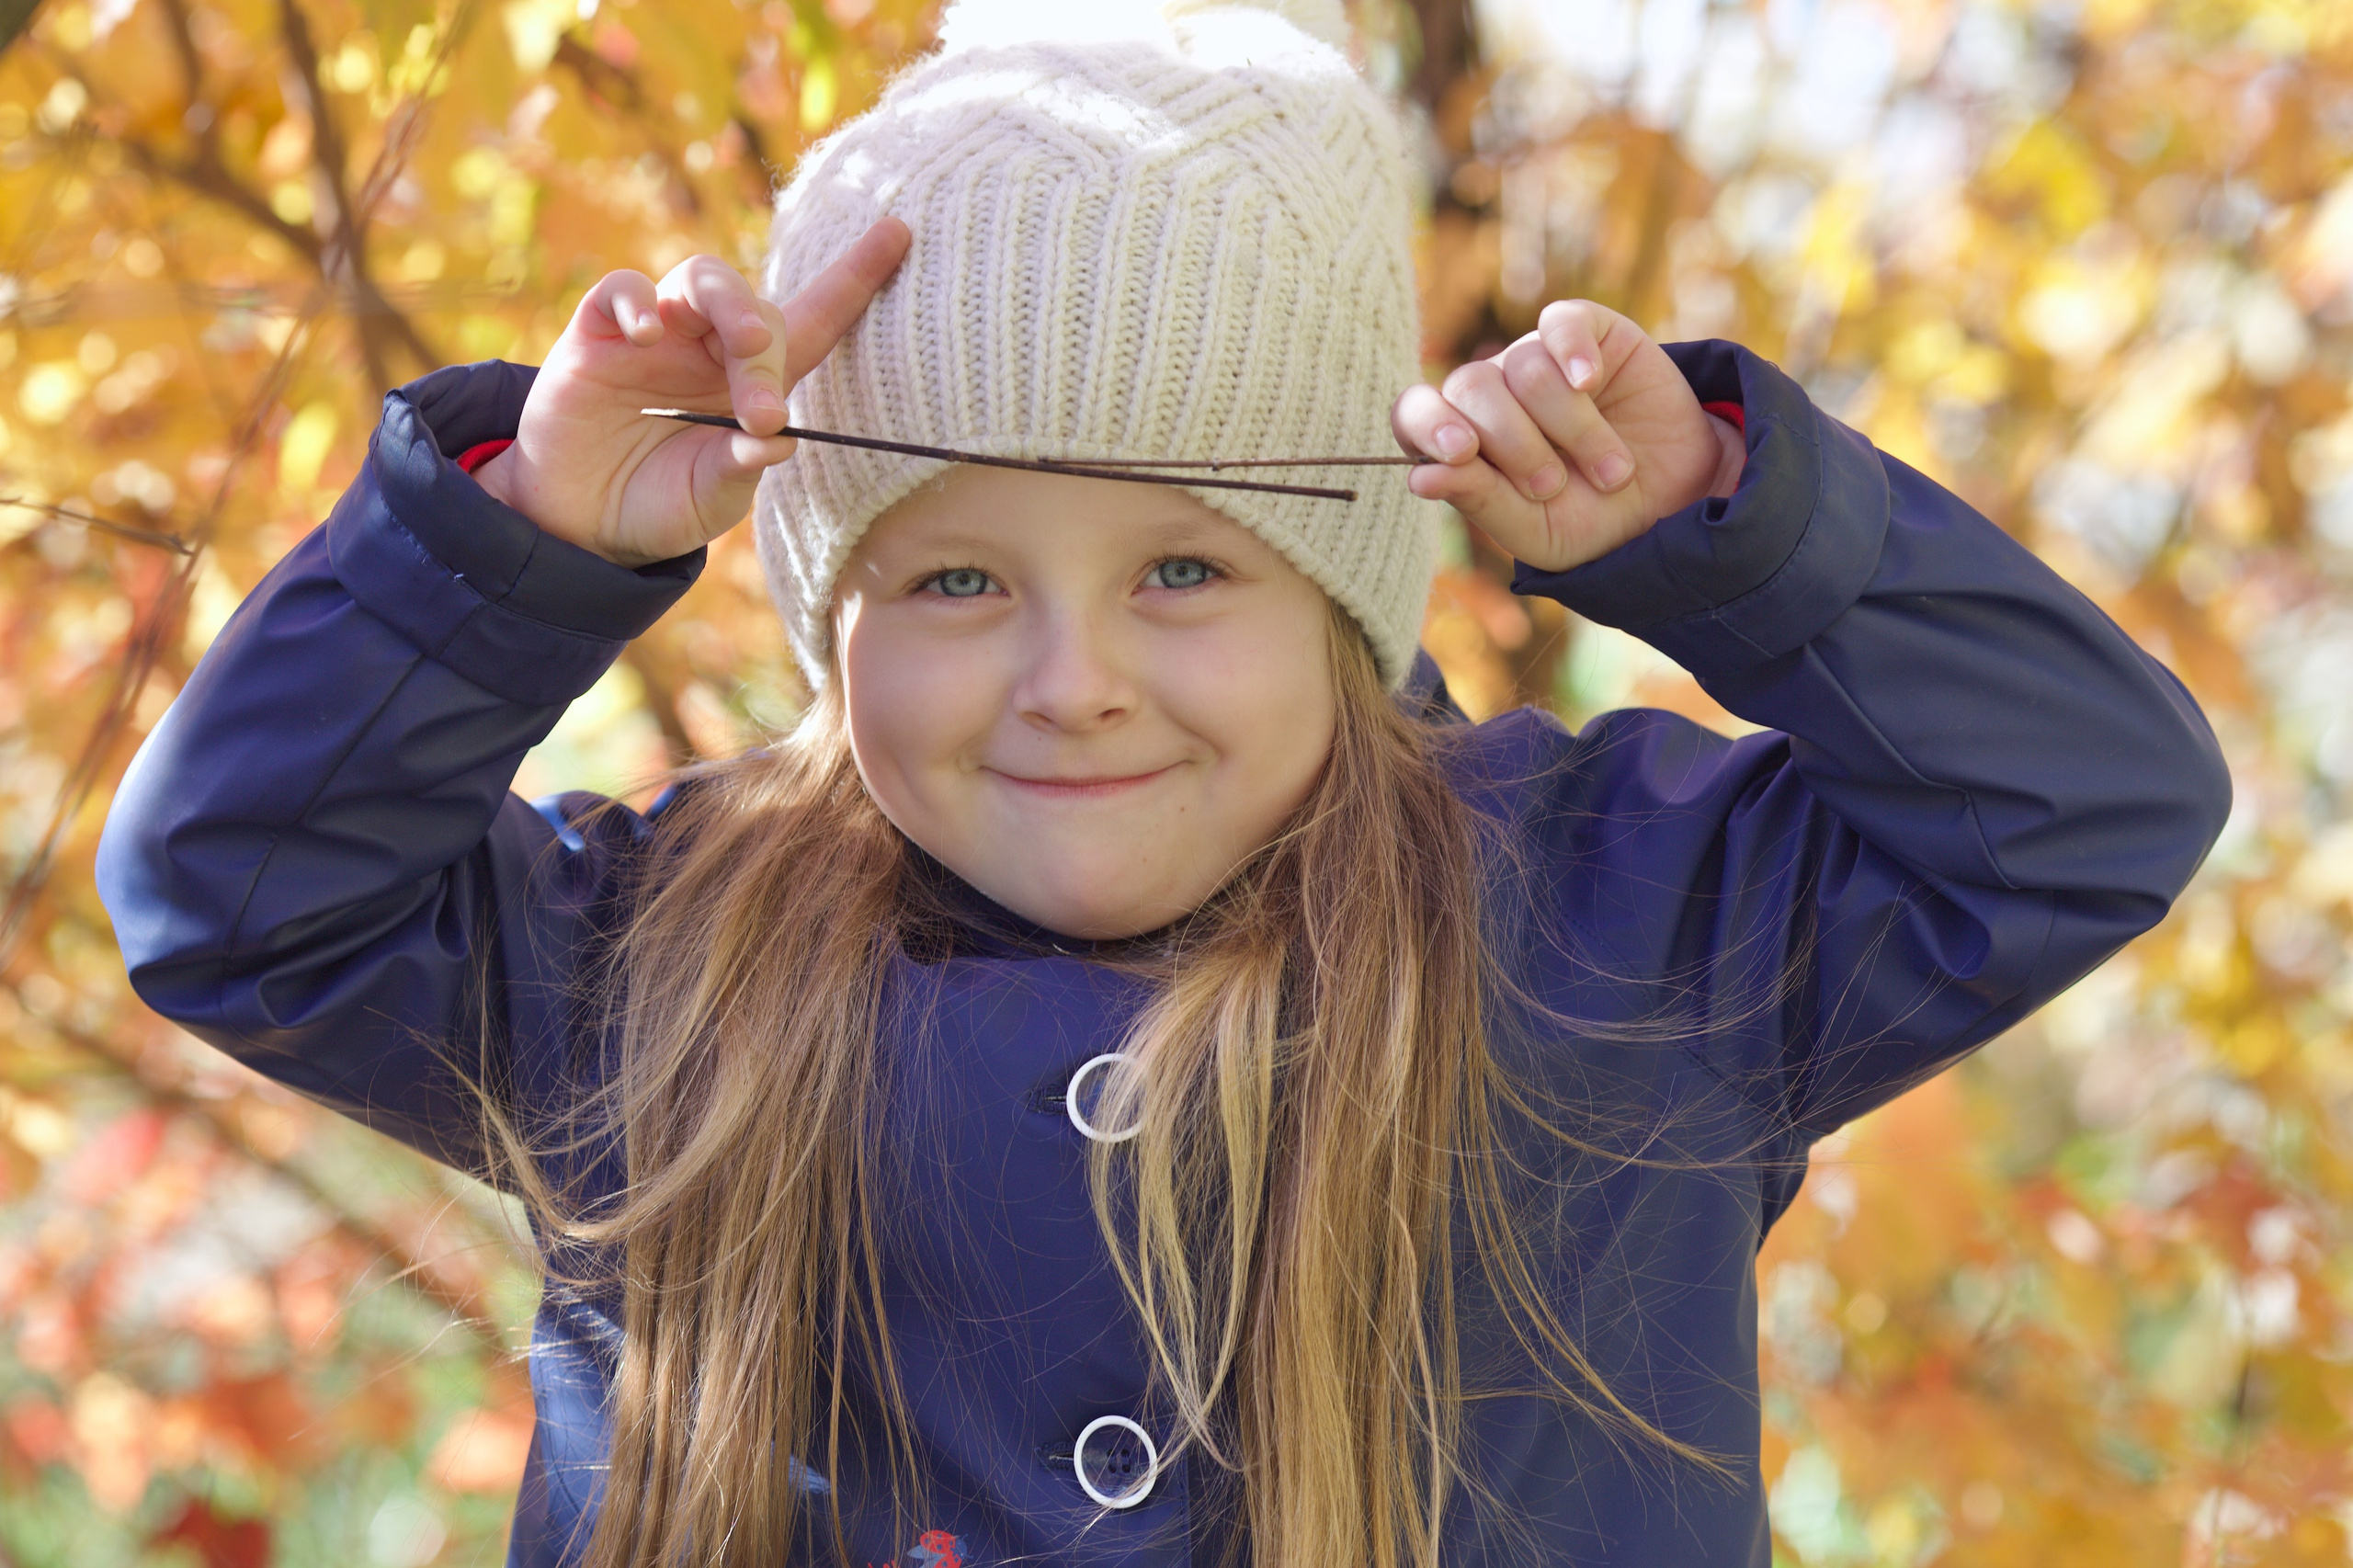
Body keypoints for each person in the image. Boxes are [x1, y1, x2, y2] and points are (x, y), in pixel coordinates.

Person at [96, 0, 2230, 1563]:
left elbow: (2078, 801)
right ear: (827, 608)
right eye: (947, 574)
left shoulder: (1623, 928)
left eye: (1185, 564)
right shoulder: (639, 962)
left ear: (1341, 592)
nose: (1068, 681)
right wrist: (526, 533)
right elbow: (233, 891)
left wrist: (1734, 532)